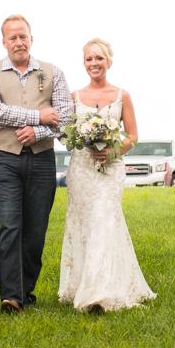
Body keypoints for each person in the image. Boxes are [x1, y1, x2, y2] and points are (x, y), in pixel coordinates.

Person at [0, 15, 73, 313]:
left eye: (23, 37)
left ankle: (25, 290)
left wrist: (39, 131)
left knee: (35, 231)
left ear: (32, 39)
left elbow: (66, 116)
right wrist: (38, 116)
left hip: (42, 160)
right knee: (9, 225)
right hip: (3, 160)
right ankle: (11, 296)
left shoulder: (53, 72)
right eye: (12, 38)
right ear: (3, 42)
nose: (18, 42)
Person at [58, 38, 154, 313]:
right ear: (84, 63)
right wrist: (79, 136)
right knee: (85, 225)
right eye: (89, 59)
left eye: (99, 58)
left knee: (105, 222)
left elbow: (133, 136)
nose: (94, 64)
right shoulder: (74, 97)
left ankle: (98, 294)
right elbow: (65, 134)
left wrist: (112, 150)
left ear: (109, 61)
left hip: (110, 171)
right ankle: (82, 284)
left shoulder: (122, 95)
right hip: (81, 170)